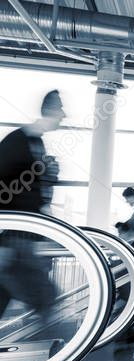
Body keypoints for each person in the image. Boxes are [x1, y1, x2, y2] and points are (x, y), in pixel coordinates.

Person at [0, 90, 64, 320]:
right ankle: (63, 352)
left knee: (30, 295)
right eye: (60, 109)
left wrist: (47, 176)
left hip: (24, 234)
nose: (64, 115)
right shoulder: (20, 140)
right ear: (49, 110)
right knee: (46, 297)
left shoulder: (36, 143)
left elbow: (33, 186)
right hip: (16, 235)